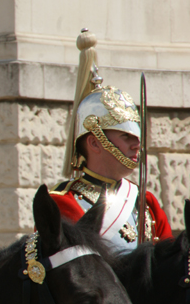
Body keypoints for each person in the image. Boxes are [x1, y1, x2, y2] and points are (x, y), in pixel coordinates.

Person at [49, 28, 172, 251]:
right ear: (95, 142)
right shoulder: (63, 202)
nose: (137, 145)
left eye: (137, 137)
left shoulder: (146, 203)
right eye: (126, 136)